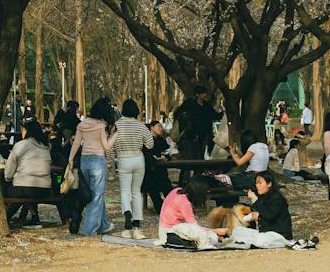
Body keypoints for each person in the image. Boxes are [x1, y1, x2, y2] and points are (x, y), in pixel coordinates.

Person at [65, 98, 114, 236]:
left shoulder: (83, 124)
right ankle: (89, 229)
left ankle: (103, 224)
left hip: (84, 161)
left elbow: (76, 143)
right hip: (98, 161)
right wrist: (116, 134)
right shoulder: (101, 125)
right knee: (97, 196)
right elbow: (107, 146)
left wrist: (70, 159)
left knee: (93, 195)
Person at [109, 99, 154, 230]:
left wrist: (110, 161)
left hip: (123, 159)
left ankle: (127, 212)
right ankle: (137, 219)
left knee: (124, 190)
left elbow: (110, 147)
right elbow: (150, 144)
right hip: (138, 158)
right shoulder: (141, 126)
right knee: (136, 190)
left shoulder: (116, 125)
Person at [2, 120, 57, 225]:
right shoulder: (45, 147)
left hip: (24, 188)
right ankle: (32, 217)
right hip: (44, 189)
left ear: (27, 131)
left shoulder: (20, 145)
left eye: (23, 129)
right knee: (27, 191)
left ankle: (5, 218)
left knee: (6, 188)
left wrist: (8, 179)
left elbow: (8, 173)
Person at [155, 181, 219, 249]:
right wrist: (215, 230)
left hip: (163, 230)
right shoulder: (184, 203)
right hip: (171, 233)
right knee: (212, 237)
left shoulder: (176, 190)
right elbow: (194, 227)